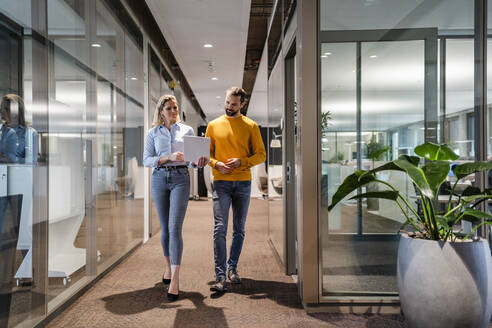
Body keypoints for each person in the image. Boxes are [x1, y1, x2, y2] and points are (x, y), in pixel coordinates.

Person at [143, 95, 208, 301]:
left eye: (175, 107)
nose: (173, 111)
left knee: (175, 228)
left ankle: (175, 279)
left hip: (181, 179)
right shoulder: (153, 133)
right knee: (165, 228)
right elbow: (147, 159)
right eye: (169, 108)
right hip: (159, 179)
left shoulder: (187, 130)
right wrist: (167, 157)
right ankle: (168, 266)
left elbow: (191, 162)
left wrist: (199, 163)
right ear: (161, 111)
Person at [206, 86, 266, 292]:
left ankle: (232, 268)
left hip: (243, 183)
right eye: (227, 103)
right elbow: (207, 156)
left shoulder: (251, 126)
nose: (229, 107)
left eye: (233, 104)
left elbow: (261, 155)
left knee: (239, 230)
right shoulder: (213, 126)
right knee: (220, 228)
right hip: (221, 182)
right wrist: (216, 165)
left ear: (243, 104)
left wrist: (242, 162)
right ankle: (220, 276)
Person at [0, 94, 38, 165]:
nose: (2, 112)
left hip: (19, 174)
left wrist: (11, 160)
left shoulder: (30, 133)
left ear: (18, 111)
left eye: (7, 109)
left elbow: (32, 162)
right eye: (1, 109)